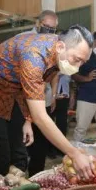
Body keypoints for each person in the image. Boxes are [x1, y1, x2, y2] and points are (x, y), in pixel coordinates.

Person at [0, 25, 96, 180]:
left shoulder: (58, 51)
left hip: (14, 90)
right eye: (77, 59)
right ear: (60, 46)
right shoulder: (34, 56)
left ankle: (15, 184)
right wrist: (73, 153)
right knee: (1, 152)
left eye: (83, 62)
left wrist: (27, 120)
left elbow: (34, 90)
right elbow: (40, 116)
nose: (78, 66)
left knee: (20, 151)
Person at [21, 10, 61, 176]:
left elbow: (54, 72)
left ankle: (37, 176)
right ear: (38, 23)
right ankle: (19, 176)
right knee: (23, 140)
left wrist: (53, 95)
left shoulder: (54, 42)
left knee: (42, 139)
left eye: (53, 29)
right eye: (46, 27)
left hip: (44, 98)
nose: (49, 32)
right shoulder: (24, 39)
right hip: (25, 99)